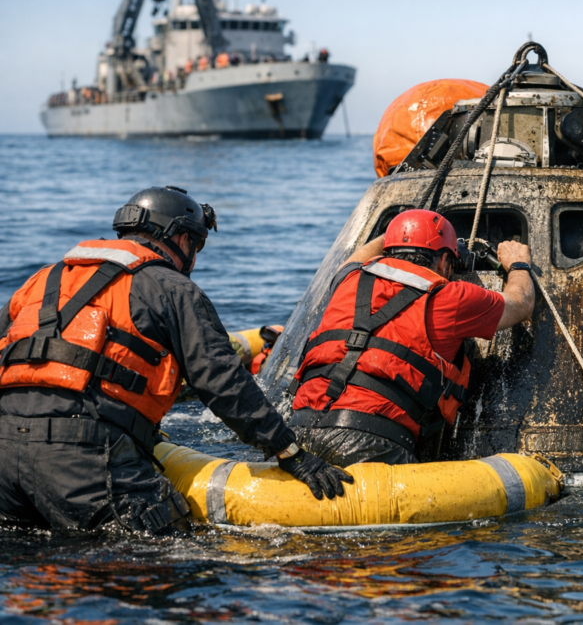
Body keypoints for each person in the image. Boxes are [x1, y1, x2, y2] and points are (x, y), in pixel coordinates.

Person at [0, 186, 350, 533]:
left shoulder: (40, 281)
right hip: (83, 462)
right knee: (167, 553)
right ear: (182, 240)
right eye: (195, 245)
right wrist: (290, 452)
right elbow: (223, 383)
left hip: (4, 458)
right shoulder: (171, 288)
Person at [289, 209, 536, 467]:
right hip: (369, 441)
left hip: (299, 430)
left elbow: (357, 258)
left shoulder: (347, 279)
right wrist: (517, 265)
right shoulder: (452, 297)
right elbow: (521, 302)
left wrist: (406, 229)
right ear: (443, 263)